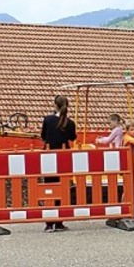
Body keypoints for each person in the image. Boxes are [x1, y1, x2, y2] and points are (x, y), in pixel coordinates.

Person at [40, 94, 77, 232]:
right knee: (62, 189)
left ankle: (49, 222)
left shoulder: (48, 120)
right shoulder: (70, 123)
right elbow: (73, 137)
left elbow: (43, 136)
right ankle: (59, 221)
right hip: (63, 157)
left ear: (54, 105)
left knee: (49, 189)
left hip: (49, 157)